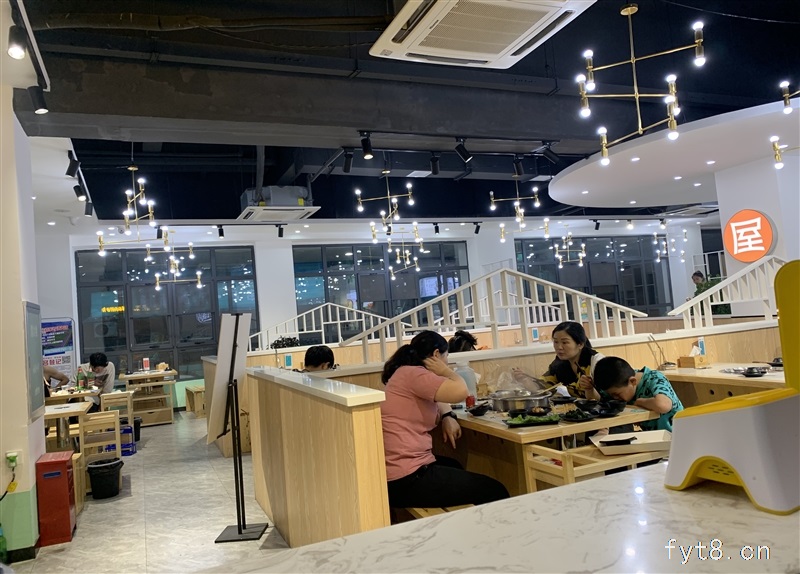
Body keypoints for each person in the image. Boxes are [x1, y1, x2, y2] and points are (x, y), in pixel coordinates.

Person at [380, 330, 509, 508]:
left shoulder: (405, 373)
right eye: (446, 356)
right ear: (436, 354)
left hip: (398, 472)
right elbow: (461, 392)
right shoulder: (415, 374)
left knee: (454, 465)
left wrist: (448, 415)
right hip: (407, 477)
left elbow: (437, 397)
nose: (447, 361)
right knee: (495, 490)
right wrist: (447, 371)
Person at [513, 321, 604, 399]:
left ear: (580, 344)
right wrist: (524, 380)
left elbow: (605, 398)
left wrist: (589, 389)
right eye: (556, 342)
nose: (559, 347)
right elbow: (543, 388)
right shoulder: (560, 364)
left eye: (565, 342)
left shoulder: (597, 362)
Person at [592, 356, 683, 432]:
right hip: (654, 439)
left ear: (633, 381)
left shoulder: (654, 378)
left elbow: (663, 405)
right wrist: (589, 389)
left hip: (677, 436)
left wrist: (640, 402)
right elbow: (599, 400)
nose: (615, 398)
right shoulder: (621, 383)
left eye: (617, 394)